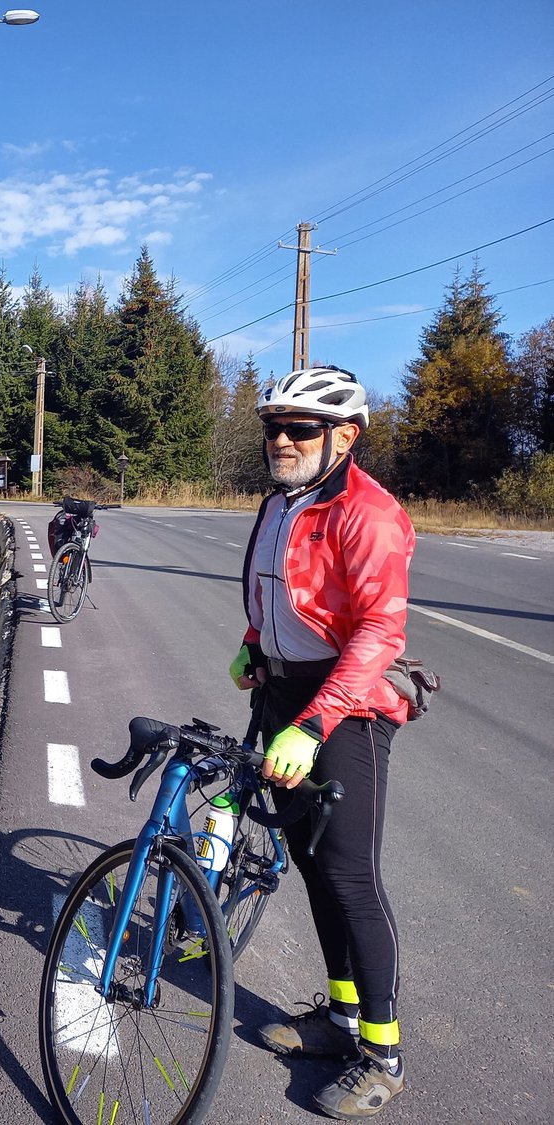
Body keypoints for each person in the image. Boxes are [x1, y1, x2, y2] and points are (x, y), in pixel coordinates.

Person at [229, 365, 416, 1118]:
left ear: (344, 436)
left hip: (347, 708)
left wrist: (313, 724)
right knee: (308, 862)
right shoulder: (281, 501)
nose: (282, 439)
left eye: (300, 427)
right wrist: (255, 645)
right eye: (273, 426)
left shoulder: (368, 512)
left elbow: (380, 630)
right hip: (284, 693)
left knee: (349, 875)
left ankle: (383, 1053)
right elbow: (272, 590)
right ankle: (340, 1020)